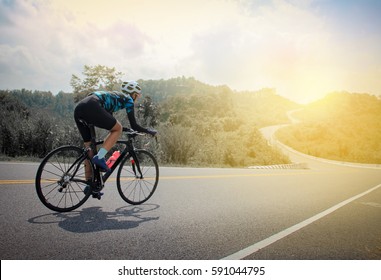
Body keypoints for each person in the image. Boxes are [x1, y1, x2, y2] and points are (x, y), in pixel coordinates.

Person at [74, 80, 157, 172]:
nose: (137, 97)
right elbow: (134, 125)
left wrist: (124, 129)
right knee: (118, 129)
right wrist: (149, 131)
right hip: (93, 106)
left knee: (89, 150)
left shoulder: (114, 96)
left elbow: (110, 122)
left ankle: (89, 183)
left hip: (79, 108)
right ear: (133, 94)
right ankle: (100, 157)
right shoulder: (128, 99)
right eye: (137, 95)